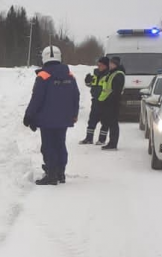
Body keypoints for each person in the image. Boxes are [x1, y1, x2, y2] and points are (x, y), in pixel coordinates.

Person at [24, 46, 80, 185]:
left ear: (44, 58)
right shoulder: (70, 76)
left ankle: (51, 174)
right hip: (64, 119)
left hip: (47, 120)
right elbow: (76, 96)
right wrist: (73, 114)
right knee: (60, 144)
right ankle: (60, 172)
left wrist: (29, 116)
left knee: (48, 146)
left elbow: (37, 98)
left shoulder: (43, 76)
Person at [79, 57, 110, 144]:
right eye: (98, 64)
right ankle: (89, 138)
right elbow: (91, 84)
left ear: (106, 66)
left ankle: (101, 139)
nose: (99, 66)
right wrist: (87, 81)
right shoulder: (95, 74)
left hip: (105, 101)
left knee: (105, 121)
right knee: (92, 120)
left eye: (101, 65)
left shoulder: (109, 75)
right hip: (95, 100)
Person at [97, 57, 125, 150]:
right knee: (109, 122)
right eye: (110, 63)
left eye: (112, 64)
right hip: (107, 101)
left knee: (113, 124)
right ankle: (111, 142)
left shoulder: (118, 74)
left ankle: (113, 143)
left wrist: (110, 99)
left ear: (115, 64)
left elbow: (116, 90)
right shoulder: (112, 73)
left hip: (113, 102)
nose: (110, 65)